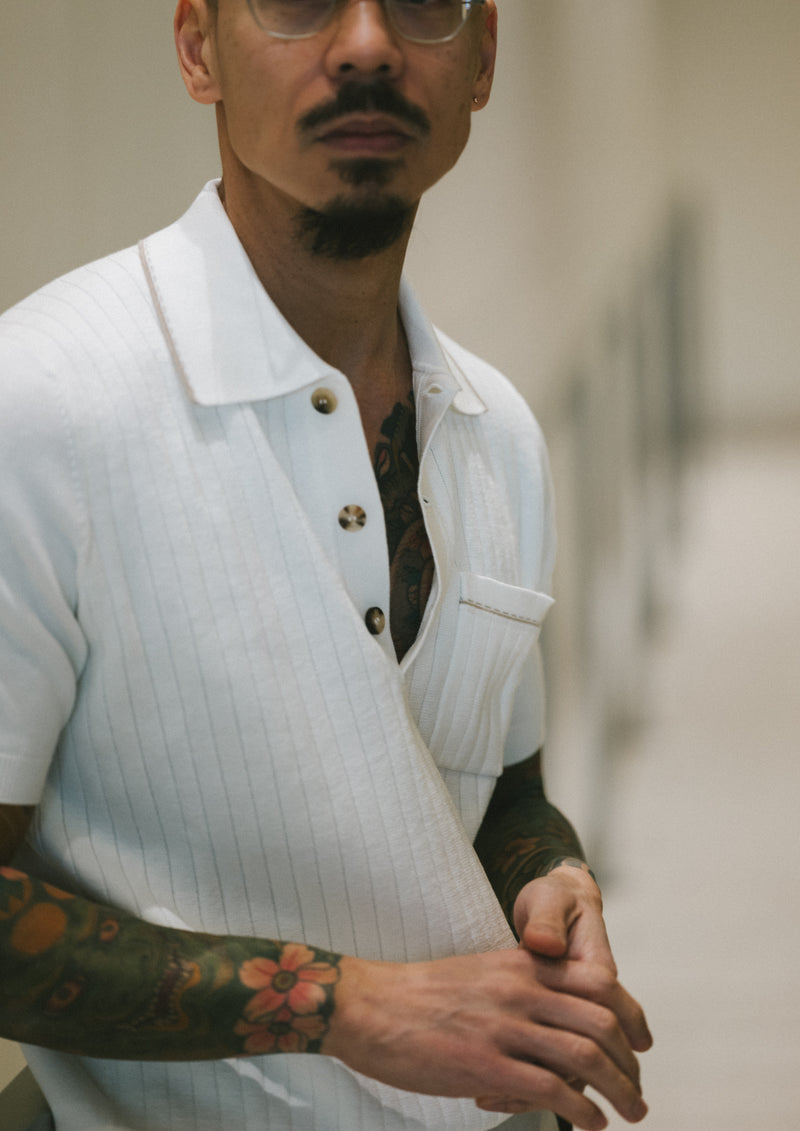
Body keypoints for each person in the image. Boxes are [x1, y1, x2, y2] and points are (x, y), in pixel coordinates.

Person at [0, 1, 652, 1129]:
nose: (367, 45)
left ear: (482, 58)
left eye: (421, 4)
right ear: (198, 47)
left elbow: (503, 788)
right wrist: (344, 1005)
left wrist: (550, 877)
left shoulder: (495, 430)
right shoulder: (42, 404)